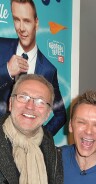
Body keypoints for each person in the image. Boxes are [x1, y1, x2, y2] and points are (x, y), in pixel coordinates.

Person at [0, 0, 67, 136]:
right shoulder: (1, 47)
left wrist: (40, 139)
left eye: (27, 21)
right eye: (16, 20)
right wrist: (6, 71)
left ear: (36, 22)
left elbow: (61, 114)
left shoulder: (49, 70)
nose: (21, 28)